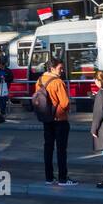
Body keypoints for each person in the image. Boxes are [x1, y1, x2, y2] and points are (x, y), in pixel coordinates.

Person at [35, 58, 76, 186]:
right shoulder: (58, 82)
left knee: (48, 148)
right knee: (61, 150)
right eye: (60, 68)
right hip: (60, 120)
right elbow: (65, 103)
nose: (62, 70)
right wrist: (66, 109)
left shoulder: (39, 80)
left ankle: (49, 178)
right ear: (52, 68)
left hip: (46, 119)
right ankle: (63, 178)